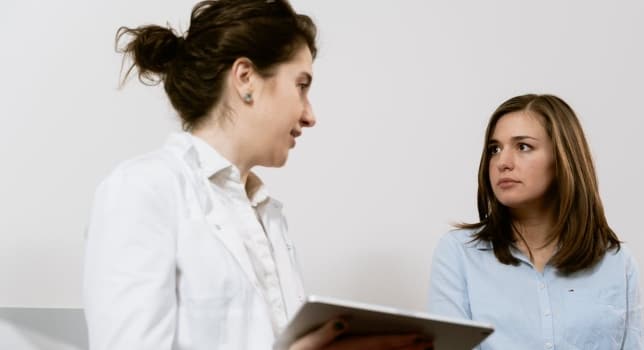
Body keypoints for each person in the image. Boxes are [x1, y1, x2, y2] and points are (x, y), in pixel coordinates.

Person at [83, 1, 433, 349]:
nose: (310, 115)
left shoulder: (266, 216)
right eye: (301, 85)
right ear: (246, 78)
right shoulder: (142, 191)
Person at [427, 94, 644, 349]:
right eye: (495, 149)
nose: (503, 162)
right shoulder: (459, 254)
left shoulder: (616, 262)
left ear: (562, 159)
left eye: (523, 146)